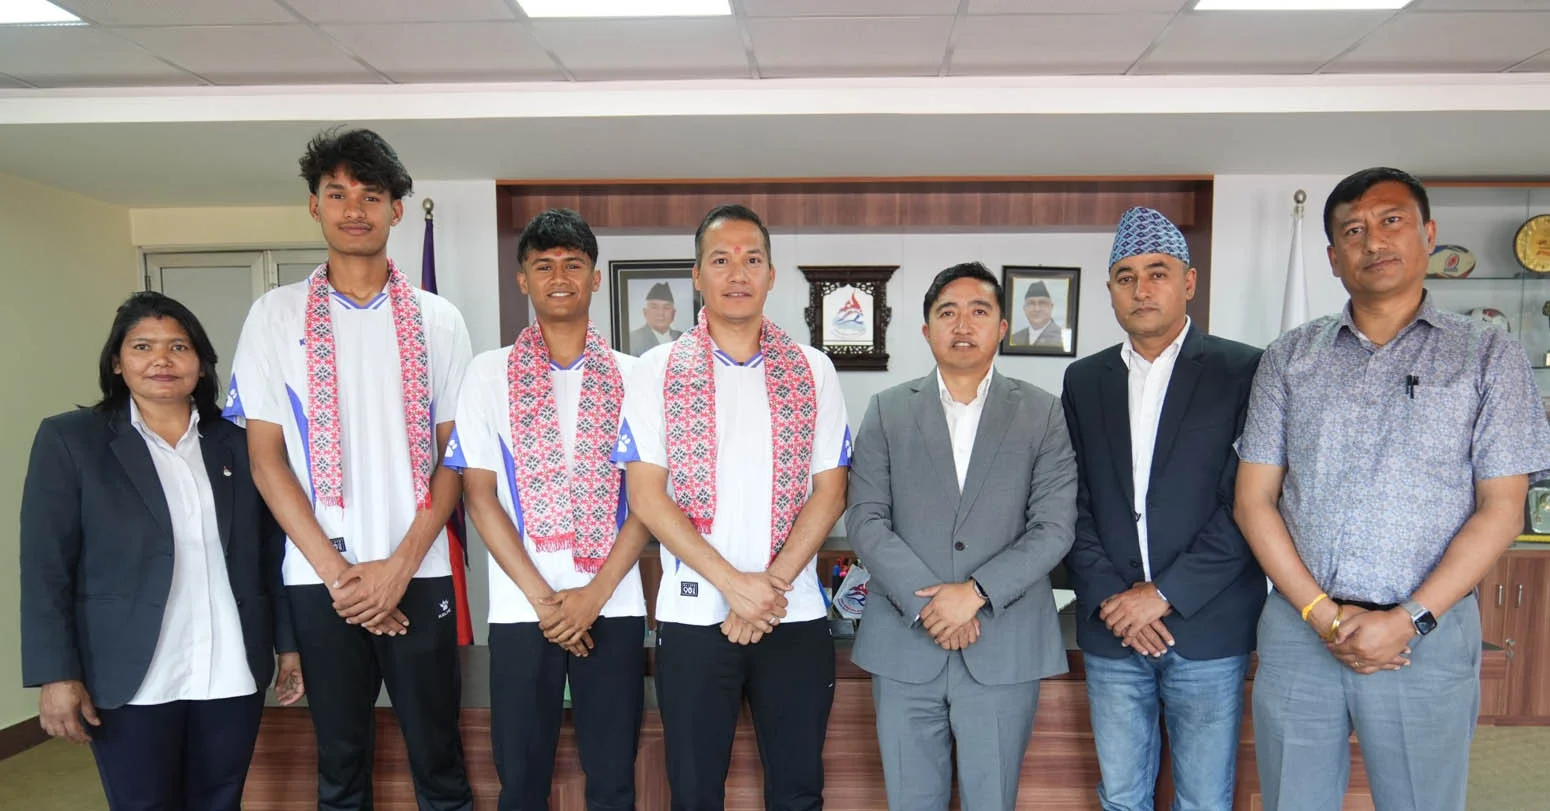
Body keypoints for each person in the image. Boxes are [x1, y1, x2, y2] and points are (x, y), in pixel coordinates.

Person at [1235, 167, 1550, 811]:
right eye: (1353, 231)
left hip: (1427, 634)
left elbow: (1501, 508)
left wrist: (1409, 619)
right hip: (1301, 630)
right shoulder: (1289, 357)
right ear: (1333, 258)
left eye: (1391, 221)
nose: (1373, 241)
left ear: (1428, 235)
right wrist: (1322, 616)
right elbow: (1254, 501)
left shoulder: (1488, 354)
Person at [225, 127, 474, 810]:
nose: (354, 209)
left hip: (420, 570)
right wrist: (342, 575)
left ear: (397, 208)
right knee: (339, 764)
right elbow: (265, 459)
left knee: (440, 759)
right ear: (315, 206)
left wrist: (398, 569)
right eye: (337, 194)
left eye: (371, 195)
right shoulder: (273, 316)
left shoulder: (439, 319)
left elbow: (455, 456)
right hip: (320, 579)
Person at [20, 291, 303, 811]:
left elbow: (271, 553)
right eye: (143, 346)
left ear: (201, 362)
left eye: (178, 346)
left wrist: (289, 645)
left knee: (220, 801)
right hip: (129, 673)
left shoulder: (238, 443)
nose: (161, 360)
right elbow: (45, 568)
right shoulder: (71, 440)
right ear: (116, 361)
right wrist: (57, 674)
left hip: (229, 668)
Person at [614, 204, 850, 811]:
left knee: (798, 791)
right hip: (694, 617)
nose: (737, 273)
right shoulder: (656, 370)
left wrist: (766, 589)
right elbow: (646, 494)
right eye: (720, 260)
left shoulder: (814, 369)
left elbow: (830, 491)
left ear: (772, 274)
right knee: (695, 792)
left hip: (792, 613)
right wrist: (734, 586)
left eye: (752, 259)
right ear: (697, 275)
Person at [847, 261, 1077, 811]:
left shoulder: (1043, 413)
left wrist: (973, 593)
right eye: (947, 313)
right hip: (905, 644)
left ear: (1002, 327)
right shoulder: (887, 410)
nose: (963, 324)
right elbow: (865, 519)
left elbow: (1053, 528)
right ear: (927, 330)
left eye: (979, 311)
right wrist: (933, 605)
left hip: (1003, 643)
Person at [445, 208, 650, 811]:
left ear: (594, 278)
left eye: (573, 265)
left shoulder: (637, 377)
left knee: (613, 778)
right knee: (521, 778)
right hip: (521, 609)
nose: (559, 277)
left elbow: (648, 501)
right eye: (543, 266)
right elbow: (479, 496)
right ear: (523, 280)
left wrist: (592, 597)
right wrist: (547, 602)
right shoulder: (488, 374)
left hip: (613, 604)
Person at [1062, 207, 1265, 811]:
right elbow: (1072, 501)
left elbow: (1250, 502)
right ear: (1110, 291)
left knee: (1203, 800)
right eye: (1126, 277)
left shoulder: (1243, 370)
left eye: (1158, 273)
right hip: (1113, 629)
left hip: (1207, 626)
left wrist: (1165, 594)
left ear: (1189, 282)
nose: (1141, 289)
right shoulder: (1084, 380)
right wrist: (1115, 599)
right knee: (1121, 797)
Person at [629, 282, 682, 355]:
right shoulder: (633, 339)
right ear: (645, 313)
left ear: (673, 313)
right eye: (654, 307)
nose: (661, 313)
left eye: (666, 307)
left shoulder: (684, 338)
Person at [1009, 281, 1064, 350]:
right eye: (1031, 303)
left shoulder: (1062, 338)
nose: (1037, 309)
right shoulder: (1015, 338)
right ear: (1024, 309)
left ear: (1051, 307)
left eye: (1042, 303)